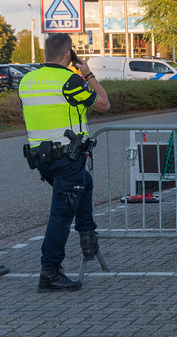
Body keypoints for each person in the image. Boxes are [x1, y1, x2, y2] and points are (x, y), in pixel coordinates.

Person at [18, 33, 110, 292]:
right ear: (70, 54)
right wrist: (89, 74)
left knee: (85, 184)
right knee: (60, 214)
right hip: (66, 159)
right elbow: (104, 103)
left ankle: (87, 234)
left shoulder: (26, 80)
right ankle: (50, 271)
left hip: (41, 159)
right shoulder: (70, 81)